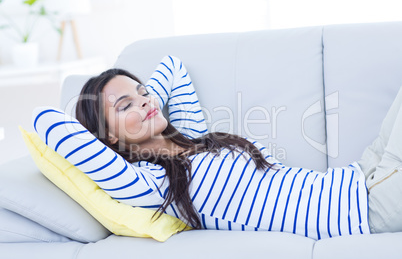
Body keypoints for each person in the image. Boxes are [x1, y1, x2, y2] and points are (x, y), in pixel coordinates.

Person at [34, 55, 402, 241]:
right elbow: (46, 122)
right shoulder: (146, 183)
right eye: (125, 105)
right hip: (365, 211)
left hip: (361, 174)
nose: (144, 101)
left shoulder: (194, 139)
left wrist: (141, 110)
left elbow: (173, 66)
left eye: (143, 92)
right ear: (106, 137)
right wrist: (129, 127)